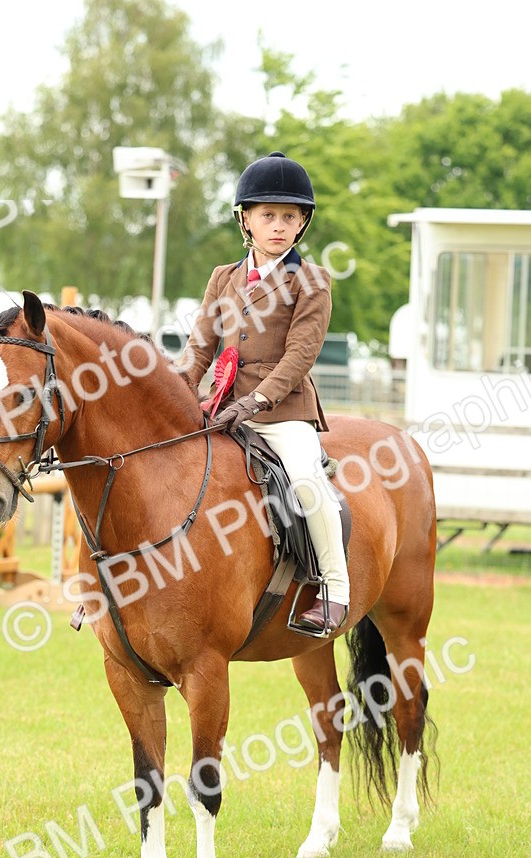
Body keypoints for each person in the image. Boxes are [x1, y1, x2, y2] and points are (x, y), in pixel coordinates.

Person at [180, 150, 350, 633]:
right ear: (246, 220)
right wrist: (180, 390)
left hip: (281, 411)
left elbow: (300, 355)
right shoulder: (223, 278)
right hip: (220, 404)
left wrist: (256, 400)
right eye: (268, 215)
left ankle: (335, 589)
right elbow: (200, 346)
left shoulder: (311, 281)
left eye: (289, 217)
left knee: (305, 481)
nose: (278, 225)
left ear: (302, 225)